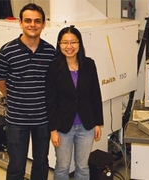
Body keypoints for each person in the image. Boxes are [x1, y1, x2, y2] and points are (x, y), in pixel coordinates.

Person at [0, 3, 55, 180]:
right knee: (16, 165)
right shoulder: (6, 51)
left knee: (41, 162)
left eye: (37, 21)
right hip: (16, 120)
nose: (32, 25)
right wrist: (16, 100)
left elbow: (53, 84)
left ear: (43, 24)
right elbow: (0, 82)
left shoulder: (50, 52)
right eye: (28, 20)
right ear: (20, 23)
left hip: (43, 119)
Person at [45, 26, 104, 180]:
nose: (69, 47)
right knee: (62, 167)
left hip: (86, 125)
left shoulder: (89, 65)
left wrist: (97, 122)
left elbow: (95, 95)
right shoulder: (54, 68)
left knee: (83, 166)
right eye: (65, 43)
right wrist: (53, 129)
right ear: (59, 44)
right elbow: (50, 101)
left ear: (79, 43)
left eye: (73, 42)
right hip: (63, 127)